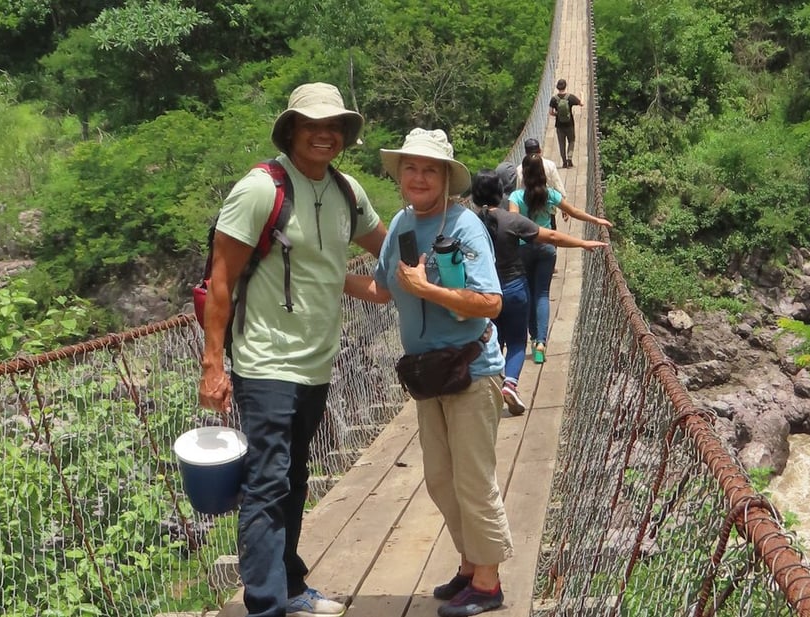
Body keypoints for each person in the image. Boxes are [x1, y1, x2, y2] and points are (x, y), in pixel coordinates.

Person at [198, 82, 386, 617]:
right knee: (267, 480)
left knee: (294, 475)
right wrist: (214, 364)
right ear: (292, 130)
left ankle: (291, 585)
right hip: (265, 360)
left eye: (335, 127)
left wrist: (429, 269)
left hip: (318, 360)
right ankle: (264, 604)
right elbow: (221, 281)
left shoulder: (349, 192)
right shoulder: (261, 189)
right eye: (313, 125)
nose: (325, 134)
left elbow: (387, 247)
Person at [344, 128, 511, 617]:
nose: (418, 177)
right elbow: (382, 290)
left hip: (472, 369)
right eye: (410, 168)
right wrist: (328, 276)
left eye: (429, 169)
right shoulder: (398, 225)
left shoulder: (464, 226)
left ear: (445, 178)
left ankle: (488, 581)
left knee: (473, 479)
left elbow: (491, 302)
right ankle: (468, 565)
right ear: (399, 176)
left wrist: (427, 288)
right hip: (427, 375)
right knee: (441, 479)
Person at [471, 169, 605, 415]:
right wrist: (583, 243)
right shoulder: (510, 221)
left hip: (481, 295)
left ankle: (490, 386)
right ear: (501, 194)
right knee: (516, 341)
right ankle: (510, 383)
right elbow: (551, 235)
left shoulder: (467, 223)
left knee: (493, 341)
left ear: (474, 197)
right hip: (513, 289)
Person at [508, 153, 611, 365]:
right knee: (542, 294)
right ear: (543, 174)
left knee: (528, 294)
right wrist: (597, 220)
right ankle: (541, 343)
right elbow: (573, 212)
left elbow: (512, 223)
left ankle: (534, 339)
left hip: (523, 250)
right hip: (547, 248)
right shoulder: (551, 195)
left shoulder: (516, 198)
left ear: (524, 174)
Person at [549, 79, 583, 168]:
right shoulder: (570, 97)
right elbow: (581, 104)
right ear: (565, 86)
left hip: (559, 126)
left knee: (561, 143)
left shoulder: (554, 99)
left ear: (557, 87)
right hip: (569, 124)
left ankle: (564, 162)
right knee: (571, 141)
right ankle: (569, 158)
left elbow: (551, 112)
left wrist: (557, 114)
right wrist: (582, 95)